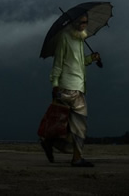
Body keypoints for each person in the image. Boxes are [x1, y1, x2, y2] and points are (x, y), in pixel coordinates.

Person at [41, 14, 102, 167]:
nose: (84, 25)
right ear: (74, 22)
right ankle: (76, 158)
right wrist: (54, 84)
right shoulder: (64, 38)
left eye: (86, 22)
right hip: (66, 87)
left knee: (68, 125)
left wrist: (91, 59)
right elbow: (58, 63)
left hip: (79, 88)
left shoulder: (80, 39)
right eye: (82, 22)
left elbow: (79, 63)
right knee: (75, 124)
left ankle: (48, 142)